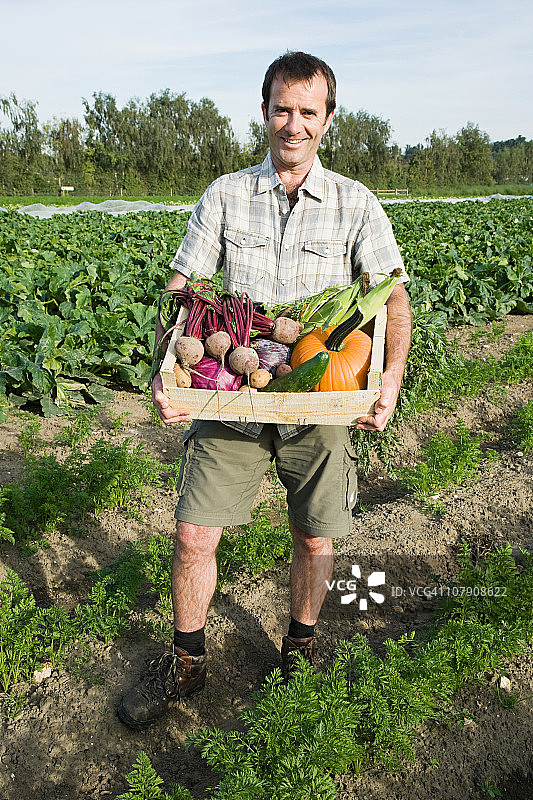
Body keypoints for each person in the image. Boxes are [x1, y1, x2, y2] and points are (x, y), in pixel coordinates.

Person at [117, 51, 412, 730]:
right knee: (193, 534)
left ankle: (299, 647)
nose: (294, 124)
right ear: (264, 112)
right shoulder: (224, 194)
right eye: (282, 109)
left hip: (321, 398)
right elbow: (184, 288)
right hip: (235, 399)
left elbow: (391, 299)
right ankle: (185, 663)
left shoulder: (355, 203)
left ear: (328, 119)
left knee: (313, 539)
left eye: (308, 112)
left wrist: (388, 378)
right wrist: (167, 369)